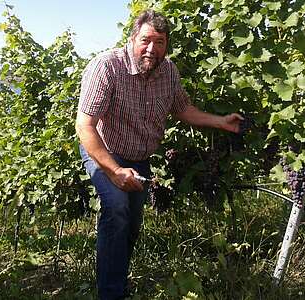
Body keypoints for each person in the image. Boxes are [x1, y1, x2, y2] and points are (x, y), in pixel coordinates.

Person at [75, 9, 243, 300]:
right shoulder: (106, 67)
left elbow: (183, 110)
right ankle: (111, 294)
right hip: (104, 151)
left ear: (167, 45)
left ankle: (116, 279)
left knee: (132, 222)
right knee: (116, 209)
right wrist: (114, 170)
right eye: (146, 40)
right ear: (132, 39)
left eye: (160, 42)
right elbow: (85, 125)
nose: (152, 48)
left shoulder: (168, 72)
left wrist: (221, 122)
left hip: (139, 157)